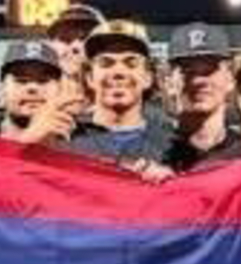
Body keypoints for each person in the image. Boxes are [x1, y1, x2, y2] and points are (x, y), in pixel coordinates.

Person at [67, 21, 173, 169]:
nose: (118, 72)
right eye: (106, 63)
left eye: (131, 63)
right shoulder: (64, 139)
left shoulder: (174, 145)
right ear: (89, 77)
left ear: (148, 78)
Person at [160, 23, 240, 171]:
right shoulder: (152, 155)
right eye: (188, 71)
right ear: (169, 83)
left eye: (210, 70)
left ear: (230, 80)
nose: (199, 81)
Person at [0, 40, 76, 146]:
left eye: (43, 80)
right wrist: (29, 138)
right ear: (2, 88)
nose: (32, 87)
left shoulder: (85, 147)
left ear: (60, 88)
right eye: (21, 80)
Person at [46, 2, 104, 116]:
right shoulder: (33, 104)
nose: (75, 47)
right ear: (51, 46)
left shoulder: (123, 107)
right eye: (65, 39)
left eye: (85, 39)